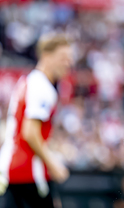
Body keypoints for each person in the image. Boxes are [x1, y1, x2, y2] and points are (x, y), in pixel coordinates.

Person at [0, 33, 73, 208]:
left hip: (11, 168)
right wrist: (53, 162)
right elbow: (30, 132)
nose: (67, 64)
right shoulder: (42, 87)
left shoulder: (29, 81)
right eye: (62, 58)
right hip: (28, 172)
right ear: (46, 56)